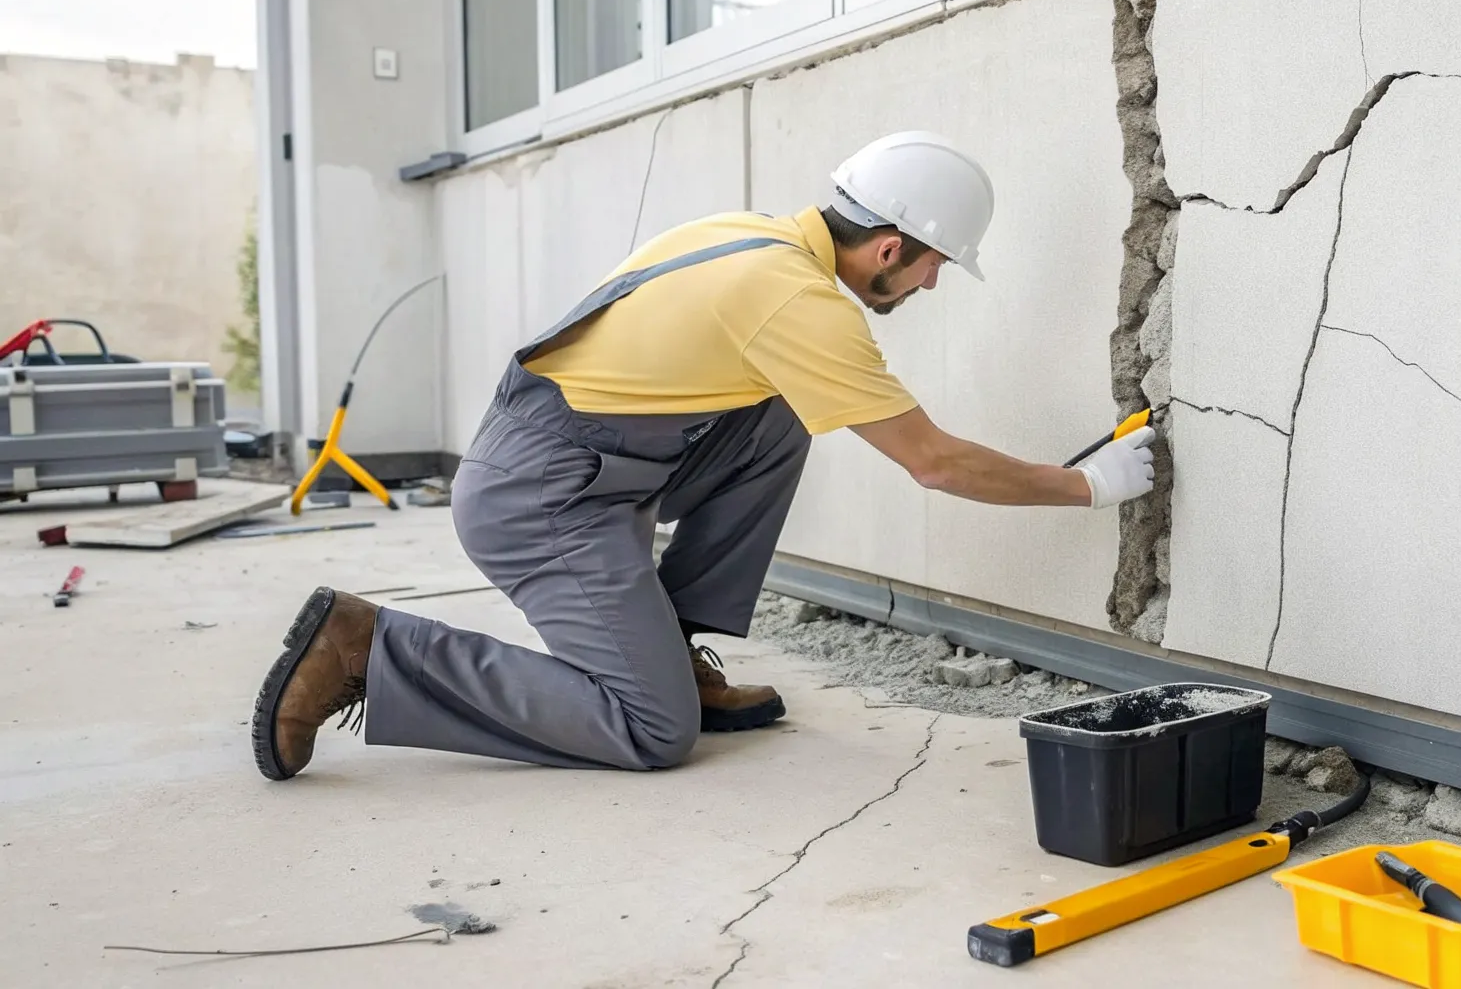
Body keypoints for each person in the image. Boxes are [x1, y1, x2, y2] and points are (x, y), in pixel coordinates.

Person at [250, 131, 1159, 778]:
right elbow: (934, 462)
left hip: (582, 456)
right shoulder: (793, 301)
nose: (929, 283)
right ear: (888, 245)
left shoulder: (750, 234)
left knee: (781, 417)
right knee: (651, 730)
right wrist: (1085, 485)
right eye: (932, 266)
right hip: (543, 496)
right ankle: (369, 648)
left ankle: (667, 646)